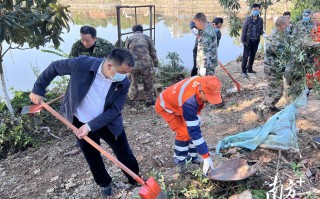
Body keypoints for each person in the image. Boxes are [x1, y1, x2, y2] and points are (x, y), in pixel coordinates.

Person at [29, 48, 139, 197]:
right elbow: (54, 67)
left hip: (108, 123)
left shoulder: (123, 83)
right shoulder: (82, 64)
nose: (126, 76)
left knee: (123, 152)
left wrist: (90, 126)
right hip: (79, 121)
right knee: (91, 155)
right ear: (109, 66)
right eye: (123, 72)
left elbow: (114, 110)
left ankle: (134, 179)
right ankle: (104, 183)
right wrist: (38, 89)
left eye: (127, 73)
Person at [155, 75, 223, 175]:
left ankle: (192, 156)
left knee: (195, 125)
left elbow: (195, 128)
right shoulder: (189, 102)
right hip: (166, 106)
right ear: (201, 92)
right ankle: (179, 161)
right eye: (208, 97)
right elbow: (194, 131)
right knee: (184, 132)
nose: (209, 101)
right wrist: (206, 156)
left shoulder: (204, 82)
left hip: (180, 102)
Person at [253, 17, 291, 121]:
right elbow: (283, 53)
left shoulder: (279, 33)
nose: (289, 26)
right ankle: (260, 108)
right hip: (272, 69)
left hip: (275, 68)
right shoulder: (276, 37)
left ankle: (271, 107)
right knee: (277, 91)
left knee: (275, 89)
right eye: (288, 24)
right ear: (282, 25)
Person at [125, 24, 158, 107]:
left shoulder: (129, 39)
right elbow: (153, 52)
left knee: (133, 83)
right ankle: (149, 100)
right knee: (148, 82)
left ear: (133, 31)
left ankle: (133, 102)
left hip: (133, 65)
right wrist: (155, 64)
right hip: (146, 64)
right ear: (142, 30)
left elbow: (125, 53)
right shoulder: (147, 38)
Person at [240, 3, 265, 78]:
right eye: (254, 10)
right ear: (251, 10)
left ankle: (249, 69)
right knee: (245, 56)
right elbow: (244, 30)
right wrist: (242, 41)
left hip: (256, 40)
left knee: (253, 55)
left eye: (257, 10)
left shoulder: (260, 20)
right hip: (248, 41)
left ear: (259, 10)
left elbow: (260, 30)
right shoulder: (247, 19)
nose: (255, 11)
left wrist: (263, 34)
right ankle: (244, 71)